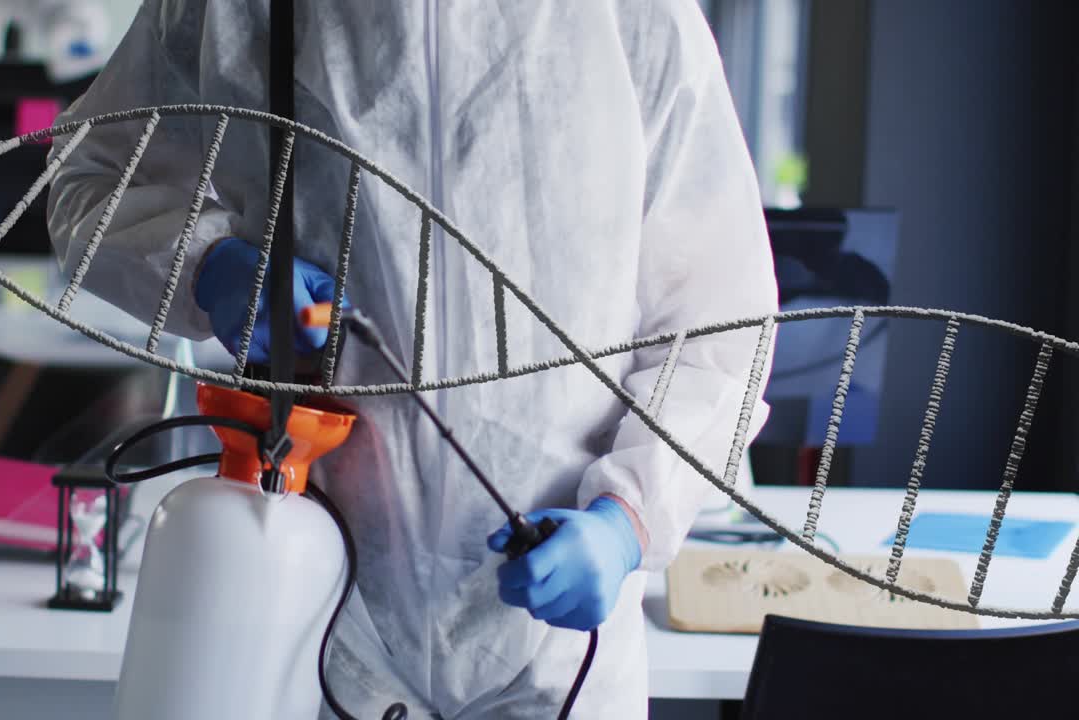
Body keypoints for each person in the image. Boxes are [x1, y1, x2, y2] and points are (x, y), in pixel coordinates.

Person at [47, 1, 777, 716]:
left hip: (557, 652)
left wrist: (629, 519)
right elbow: (89, 175)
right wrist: (208, 264)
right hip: (314, 612)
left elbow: (720, 323)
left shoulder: (635, 18)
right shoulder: (222, 10)